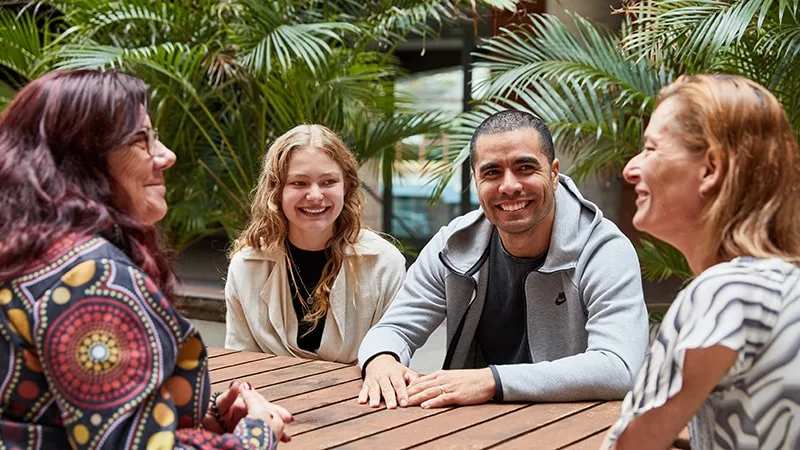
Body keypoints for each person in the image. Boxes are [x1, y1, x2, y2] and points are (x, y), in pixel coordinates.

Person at [0, 69, 291, 449]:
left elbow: (55, 409)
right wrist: (257, 433)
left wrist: (200, 417)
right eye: (141, 139)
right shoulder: (94, 279)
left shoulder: (29, 255)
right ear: (82, 159)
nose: (166, 156)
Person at [357, 110, 649, 409]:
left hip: (575, 427)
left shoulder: (603, 249)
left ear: (554, 172)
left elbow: (619, 366)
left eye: (525, 167)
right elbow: (393, 329)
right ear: (475, 180)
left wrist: (492, 381)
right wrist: (382, 360)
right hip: (469, 427)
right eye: (492, 172)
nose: (509, 186)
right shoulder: (454, 245)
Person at [605, 74, 800, 449]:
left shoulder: (723, 292)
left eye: (650, 149)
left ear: (710, 168)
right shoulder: (782, 283)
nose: (630, 169)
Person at [224, 124, 406, 363]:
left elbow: (391, 357)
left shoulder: (384, 264)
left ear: (346, 186)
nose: (315, 195)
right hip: (264, 396)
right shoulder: (247, 265)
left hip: (359, 398)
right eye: (299, 183)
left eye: (328, 182)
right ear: (276, 191)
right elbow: (239, 362)